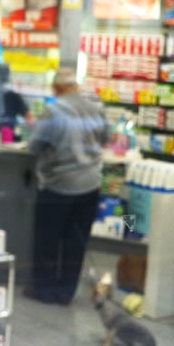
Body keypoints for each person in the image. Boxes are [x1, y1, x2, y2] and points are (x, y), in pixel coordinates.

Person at [24, 68, 110, 305]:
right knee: (76, 243)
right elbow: (106, 139)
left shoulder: (54, 111)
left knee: (48, 240)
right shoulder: (96, 108)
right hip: (90, 185)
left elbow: (35, 146)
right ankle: (66, 293)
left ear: (57, 88)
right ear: (76, 87)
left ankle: (45, 291)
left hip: (59, 185)